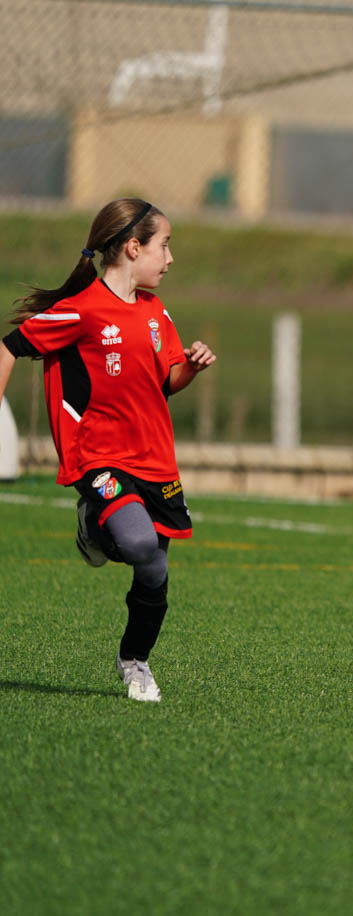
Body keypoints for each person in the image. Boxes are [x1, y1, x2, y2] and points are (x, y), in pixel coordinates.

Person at [0, 198, 216, 701]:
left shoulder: (155, 311)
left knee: (154, 568)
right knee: (137, 543)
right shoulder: (81, 310)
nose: (170, 258)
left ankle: (135, 660)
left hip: (154, 456)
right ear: (133, 247)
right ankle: (92, 523)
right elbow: (10, 346)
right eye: (164, 245)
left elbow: (166, 381)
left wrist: (193, 366)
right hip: (97, 455)